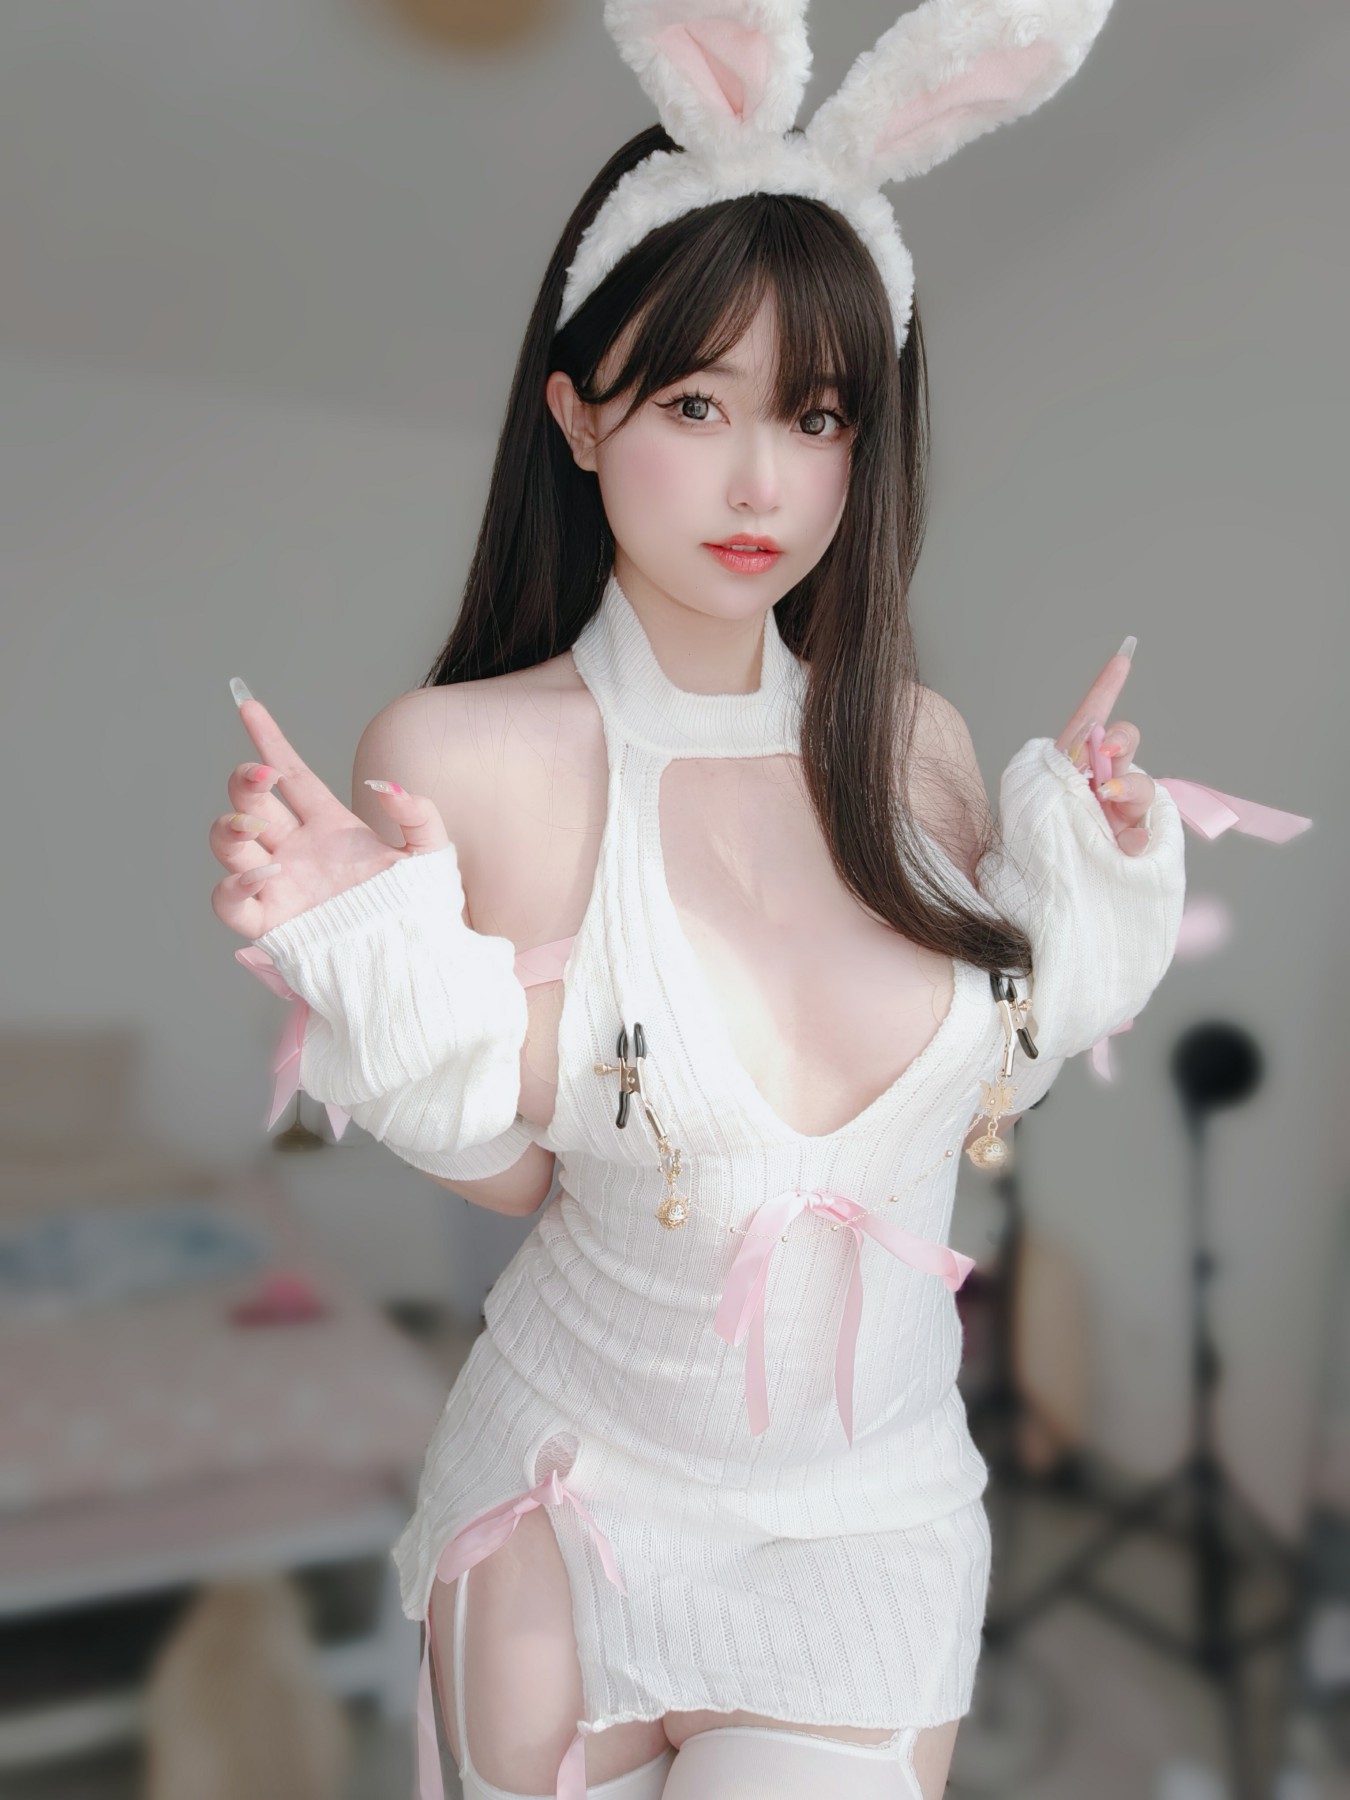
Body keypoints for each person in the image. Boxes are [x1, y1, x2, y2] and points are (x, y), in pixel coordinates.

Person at [209, 6, 1201, 1796]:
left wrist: (1093, 900)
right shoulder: (461, 754)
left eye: (814, 416)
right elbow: (524, 1172)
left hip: (865, 1521)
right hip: (565, 1497)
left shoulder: (917, 751)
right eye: (693, 403)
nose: (761, 482)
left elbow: (975, 1093)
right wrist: (375, 989)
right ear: (577, 415)